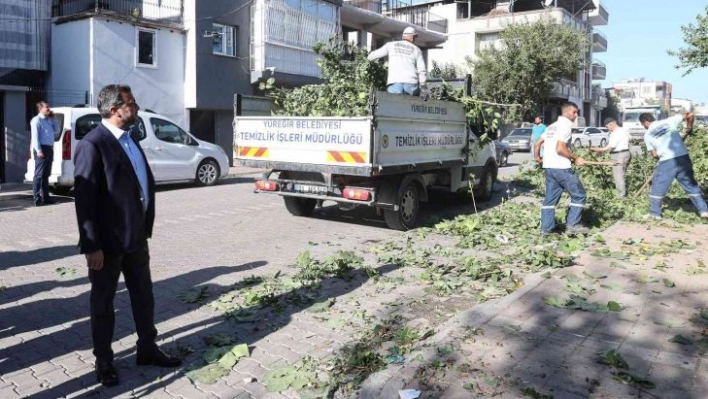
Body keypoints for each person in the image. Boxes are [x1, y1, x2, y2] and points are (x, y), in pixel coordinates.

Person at [73, 84, 181, 387]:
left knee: (144, 297)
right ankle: (104, 361)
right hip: (106, 245)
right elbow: (85, 200)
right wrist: (91, 245)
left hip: (135, 238)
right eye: (130, 103)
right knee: (103, 304)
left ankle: (147, 348)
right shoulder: (93, 144)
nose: (135, 107)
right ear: (114, 109)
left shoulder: (130, 139)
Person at [533, 103, 589, 237]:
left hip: (549, 168)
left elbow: (537, 143)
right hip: (562, 168)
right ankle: (572, 226)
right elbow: (560, 149)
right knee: (579, 195)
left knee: (550, 200)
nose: (576, 115)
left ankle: (545, 230)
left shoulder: (552, 126)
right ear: (567, 112)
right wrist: (575, 158)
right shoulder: (566, 126)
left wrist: (538, 158)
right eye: (574, 112)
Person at [639, 111, 708, 220]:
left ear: (645, 122)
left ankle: (655, 214)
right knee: (690, 185)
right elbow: (690, 114)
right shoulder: (669, 121)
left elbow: (654, 154)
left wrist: (659, 158)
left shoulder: (647, 135)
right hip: (683, 157)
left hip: (667, 161)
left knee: (658, 185)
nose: (644, 127)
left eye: (643, 125)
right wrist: (689, 128)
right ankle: (704, 211)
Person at [367, 27, 426, 96]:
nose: (415, 39)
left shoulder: (391, 45)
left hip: (395, 82)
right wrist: (422, 85)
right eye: (414, 37)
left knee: (395, 104)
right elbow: (422, 70)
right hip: (411, 84)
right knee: (411, 104)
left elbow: (374, 55)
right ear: (411, 37)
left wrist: (366, 58)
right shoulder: (416, 50)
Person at [590, 117, 631, 198]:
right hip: (625, 153)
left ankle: (621, 197)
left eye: (607, 127)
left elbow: (608, 147)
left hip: (619, 155)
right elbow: (630, 139)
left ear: (611, 124)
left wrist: (595, 149)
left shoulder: (616, 133)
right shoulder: (623, 130)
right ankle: (623, 194)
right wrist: (599, 153)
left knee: (618, 176)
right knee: (621, 174)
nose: (607, 129)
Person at [30, 101, 59, 206]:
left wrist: (53, 118)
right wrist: (38, 150)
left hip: (49, 148)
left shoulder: (48, 120)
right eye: (46, 107)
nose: (49, 109)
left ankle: (46, 198)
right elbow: (35, 137)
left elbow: (57, 129)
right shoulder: (36, 120)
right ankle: (37, 198)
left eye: (48, 107)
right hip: (41, 148)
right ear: (40, 109)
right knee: (39, 174)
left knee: (46, 175)